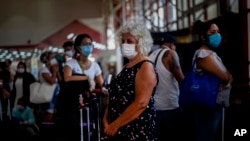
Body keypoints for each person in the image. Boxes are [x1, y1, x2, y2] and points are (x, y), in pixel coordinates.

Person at [102, 22, 158, 141]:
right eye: (123, 41)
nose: (124, 44)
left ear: (141, 42)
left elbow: (141, 103)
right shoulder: (127, 66)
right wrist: (106, 119)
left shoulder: (145, 66)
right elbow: (115, 95)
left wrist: (114, 125)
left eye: (129, 41)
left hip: (135, 129)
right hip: (118, 128)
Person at [182, 20, 233, 141]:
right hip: (207, 105)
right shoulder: (204, 55)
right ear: (203, 36)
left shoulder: (211, 54)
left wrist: (226, 74)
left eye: (218, 32)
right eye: (213, 32)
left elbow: (229, 76)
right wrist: (225, 75)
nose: (217, 35)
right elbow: (226, 78)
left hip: (212, 104)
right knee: (207, 136)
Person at [62, 33, 104, 141]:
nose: (88, 47)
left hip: (88, 104)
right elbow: (67, 78)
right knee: (74, 130)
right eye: (85, 44)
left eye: (90, 44)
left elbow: (101, 84)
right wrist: (87, 78)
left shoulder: (95, 66)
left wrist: (104, 89)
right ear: (78, 47)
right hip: (72, 105)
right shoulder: (71, 64)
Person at [148, 34, 184, 141]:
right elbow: (181, 79)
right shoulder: (171, 54)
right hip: (170, 107)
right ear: (172, 45)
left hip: (153, 108)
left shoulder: (150, 56)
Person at [37, 51, 62, 121]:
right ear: (46, 60)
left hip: (54, 98)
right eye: (52, 58)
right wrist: (54, 72)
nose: (54, 60)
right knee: (47, 117)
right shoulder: (43, 70)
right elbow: (51, 81)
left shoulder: (52, 70)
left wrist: (57, 71)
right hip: (47, 98)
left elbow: (60, 80)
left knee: (53, 117)